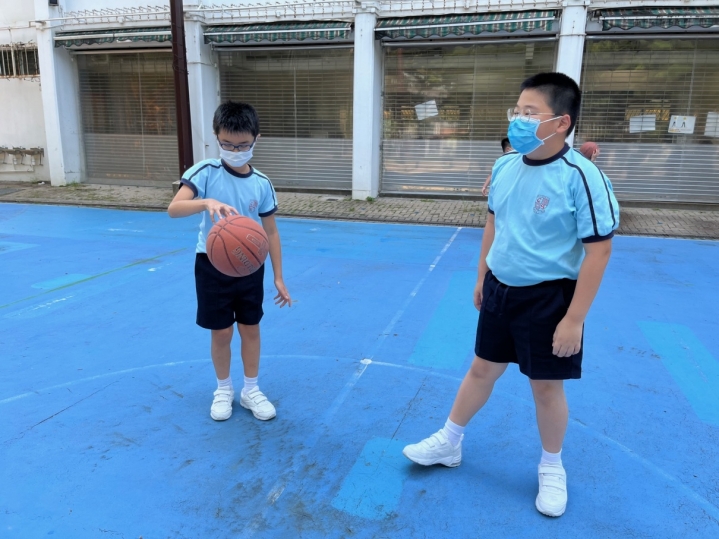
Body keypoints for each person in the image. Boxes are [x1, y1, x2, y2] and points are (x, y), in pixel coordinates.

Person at [403, 73, 619, 518]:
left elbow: (599, 251)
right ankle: (450, 441)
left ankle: (552, 466)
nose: (518, 120)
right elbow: (493, 224)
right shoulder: (504, 166)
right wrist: (482, 275)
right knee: (482, 368)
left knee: (546, 387)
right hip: (501, 288)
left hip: (550, 298)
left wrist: (574, 319)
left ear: (561, 122)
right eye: (516, 111)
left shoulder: (582, 176)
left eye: (529, 113)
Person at [168, 101, 292, 423]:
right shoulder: (205, 172)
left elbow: (271, 231)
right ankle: (223, 389)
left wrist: (278, 276)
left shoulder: (261, 183)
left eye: (242, 145)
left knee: (250, 328)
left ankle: (251, 389)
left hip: (250, 265)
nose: (235, 151)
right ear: (216, 138)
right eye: (227, 144)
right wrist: (205, 202)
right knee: (221, 332)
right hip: (212, 264)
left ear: (256, 140)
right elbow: (174, 208)